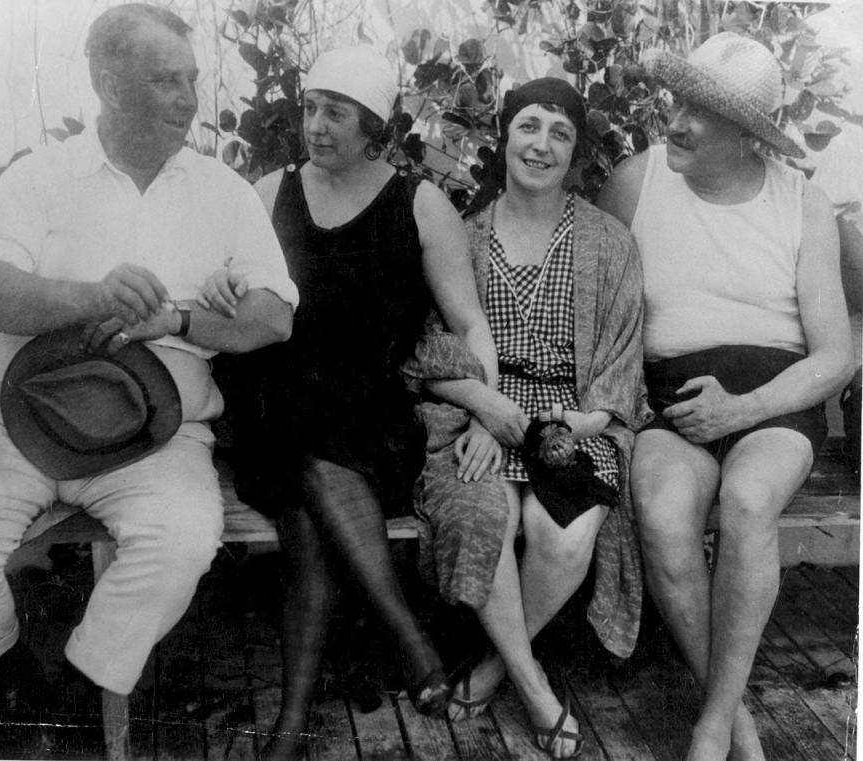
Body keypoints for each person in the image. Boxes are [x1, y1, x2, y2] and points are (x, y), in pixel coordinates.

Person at [0, 2, 297, 750]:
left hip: (155, 429)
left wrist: (177, 319)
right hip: (9, 410)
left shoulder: (221, 191)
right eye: (164, 81)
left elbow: (273, 316)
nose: (187, 99)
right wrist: (89, 296)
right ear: (109, 85)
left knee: (181, 538)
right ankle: (6, 680)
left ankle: (81, 697)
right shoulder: (40, 178)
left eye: (191, 80)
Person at [200, 45, 496, 761]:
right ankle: (408, 638)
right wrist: (216, 285)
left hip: (370, 414)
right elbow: (223, 285)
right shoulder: (271, 191)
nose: (317, 125)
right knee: (297, 427)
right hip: (272, 397)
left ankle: (293, 722)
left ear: (374, 126)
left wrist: (487, 408)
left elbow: (469, 322)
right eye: (310, 108)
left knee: (306, 500)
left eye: (336, 112)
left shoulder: (419, 204)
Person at [597, 33, 853, 761]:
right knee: (663, 508)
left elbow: (835, 354)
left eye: (702, 111)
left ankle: (710, 730)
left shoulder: (799, 201)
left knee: (746, 501)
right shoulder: (635, 183)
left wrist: (742, 410)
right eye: (679, 100)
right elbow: (601, 310)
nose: (676, 119)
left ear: (748, 137)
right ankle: (734, 713)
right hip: (671, 402)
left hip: (774, 402)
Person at [406, 78, 651, 758]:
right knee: (484, 517)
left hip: (574, 423)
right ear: (505, 136)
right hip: (478, 420)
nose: (541, 144)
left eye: (559, 133)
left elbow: (622, 358)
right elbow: (430, 349)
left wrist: (584, 420)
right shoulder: (464, 235)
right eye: (529, 127)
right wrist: (485, 407)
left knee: (564, 537)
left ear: (574, 155)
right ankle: (537, 690)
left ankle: (491, 668)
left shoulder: (609, 242)